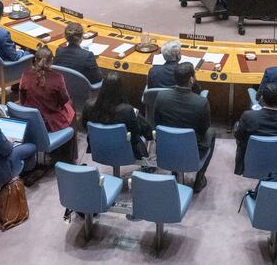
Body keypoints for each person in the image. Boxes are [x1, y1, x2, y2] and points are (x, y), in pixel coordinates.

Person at [151, 62, 213, 193]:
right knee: (212, 133)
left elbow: (157, 122)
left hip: (166, 147)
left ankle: (175, 172)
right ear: (191, 79)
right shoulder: (201, 102)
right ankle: (199, 178)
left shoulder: (161, 97)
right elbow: (204, 129)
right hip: (192, 149)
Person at [19, 46, 76, 156]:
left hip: (32, 120)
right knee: (72, 110)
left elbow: (22, 100)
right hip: (52, 121)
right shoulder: (58, 78)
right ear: (51, 60)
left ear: (35, 60)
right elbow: (64, 100)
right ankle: (69, 155)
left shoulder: (25, 75)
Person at [81, 72, 153, 159]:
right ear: (121, 89)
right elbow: (135, 134)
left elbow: (85, 126)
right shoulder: (127, 111)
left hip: (98, 148)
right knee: (143, 128)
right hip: (125, 150)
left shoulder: (88, 105)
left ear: (102, 87)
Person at [233, 84, 277, 175]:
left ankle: (241, 169)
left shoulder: (248, 116)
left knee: (240, 136)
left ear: (261, 98)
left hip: (252, 161)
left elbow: (238, 136)